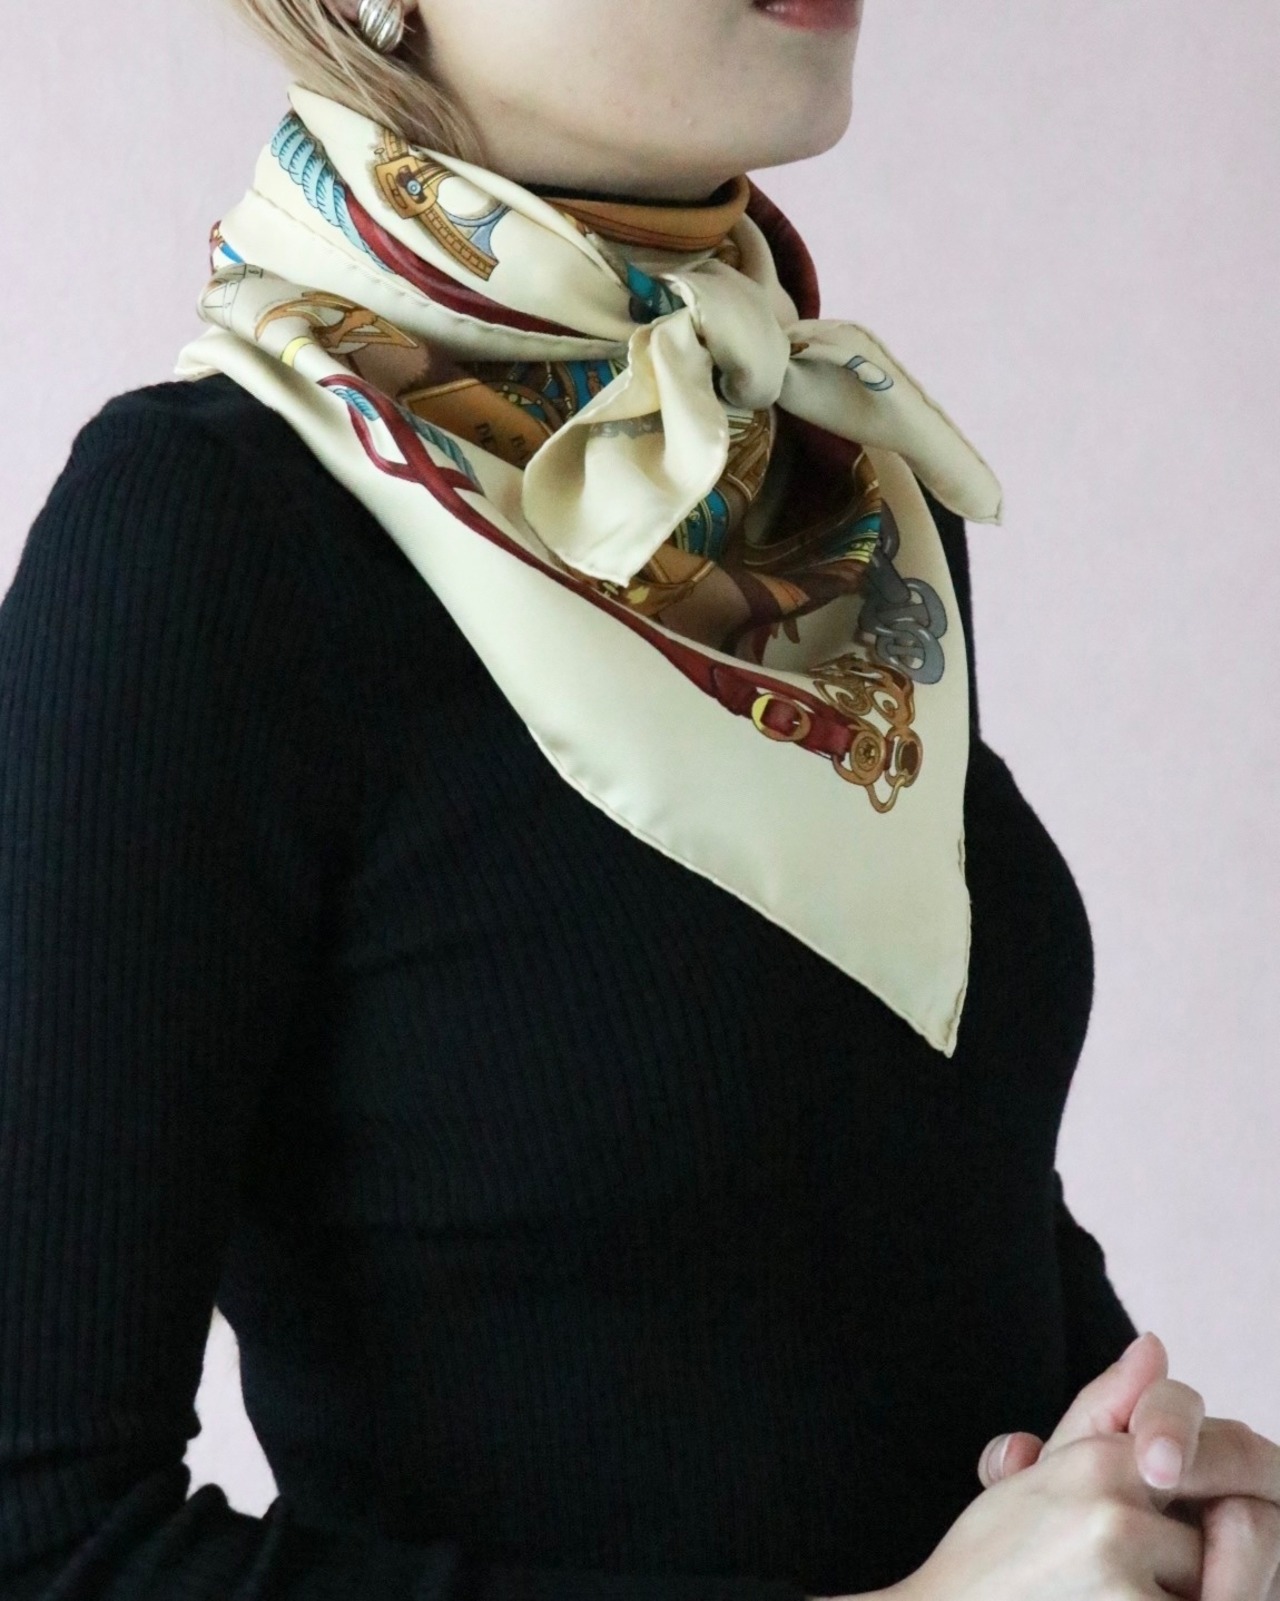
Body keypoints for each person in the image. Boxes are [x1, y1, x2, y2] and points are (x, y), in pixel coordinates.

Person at [2, 1, 1278, 1598]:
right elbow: (46, 1543)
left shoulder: (827, 489)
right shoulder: (206, 544)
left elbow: (892, 1206)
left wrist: (1157, 1501)